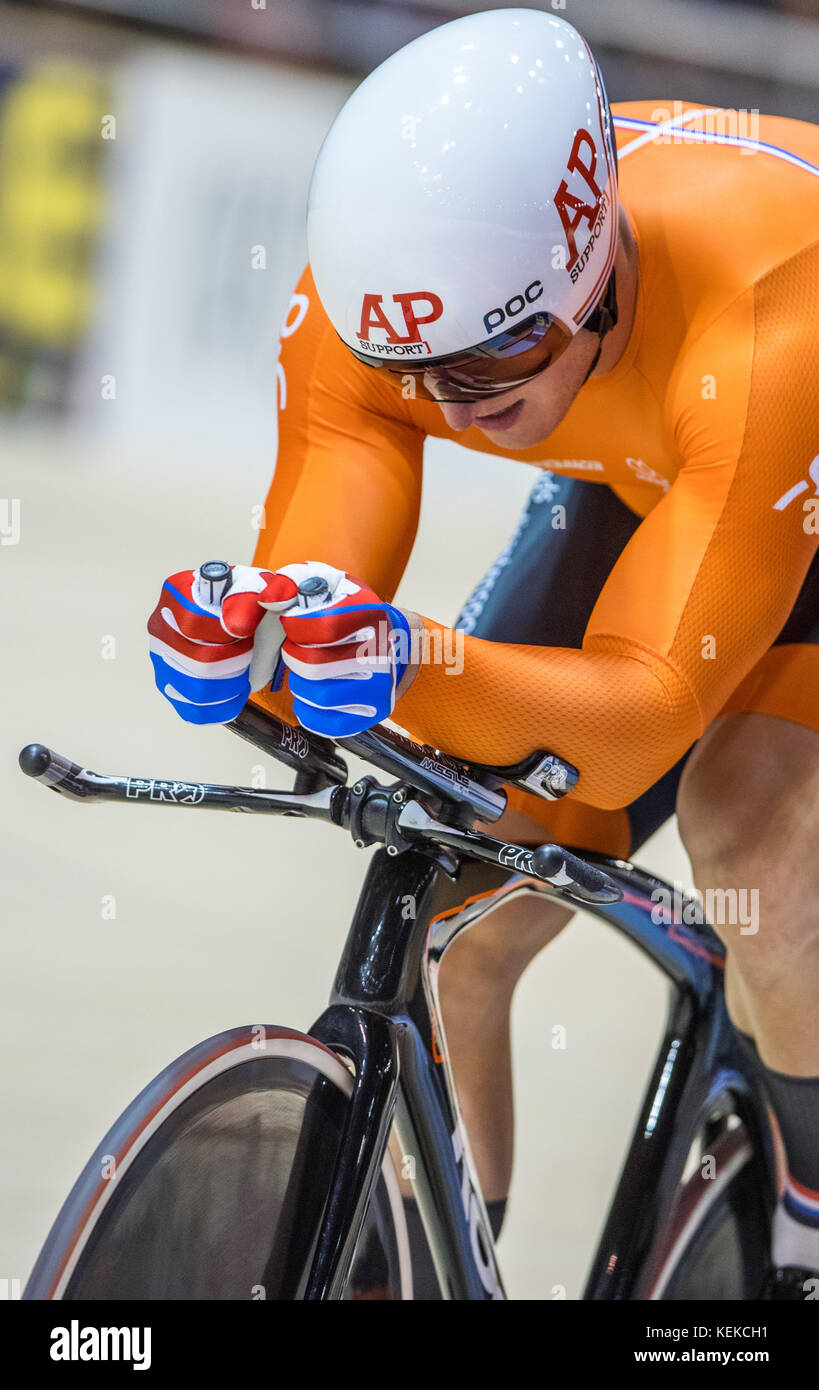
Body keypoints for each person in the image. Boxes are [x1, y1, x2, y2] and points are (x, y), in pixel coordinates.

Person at [148, 9, 819, 1298]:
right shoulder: (378, 299)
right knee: (461, 915)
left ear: (599, 260)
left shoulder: (761, 313)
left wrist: (410, 661)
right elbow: (321, 571)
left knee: (753, 841)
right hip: (663, 467)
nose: (462, 405)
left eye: (500, 354)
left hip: (782, 422)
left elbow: (639, 720)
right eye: (416, 369)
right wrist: (261, 635)